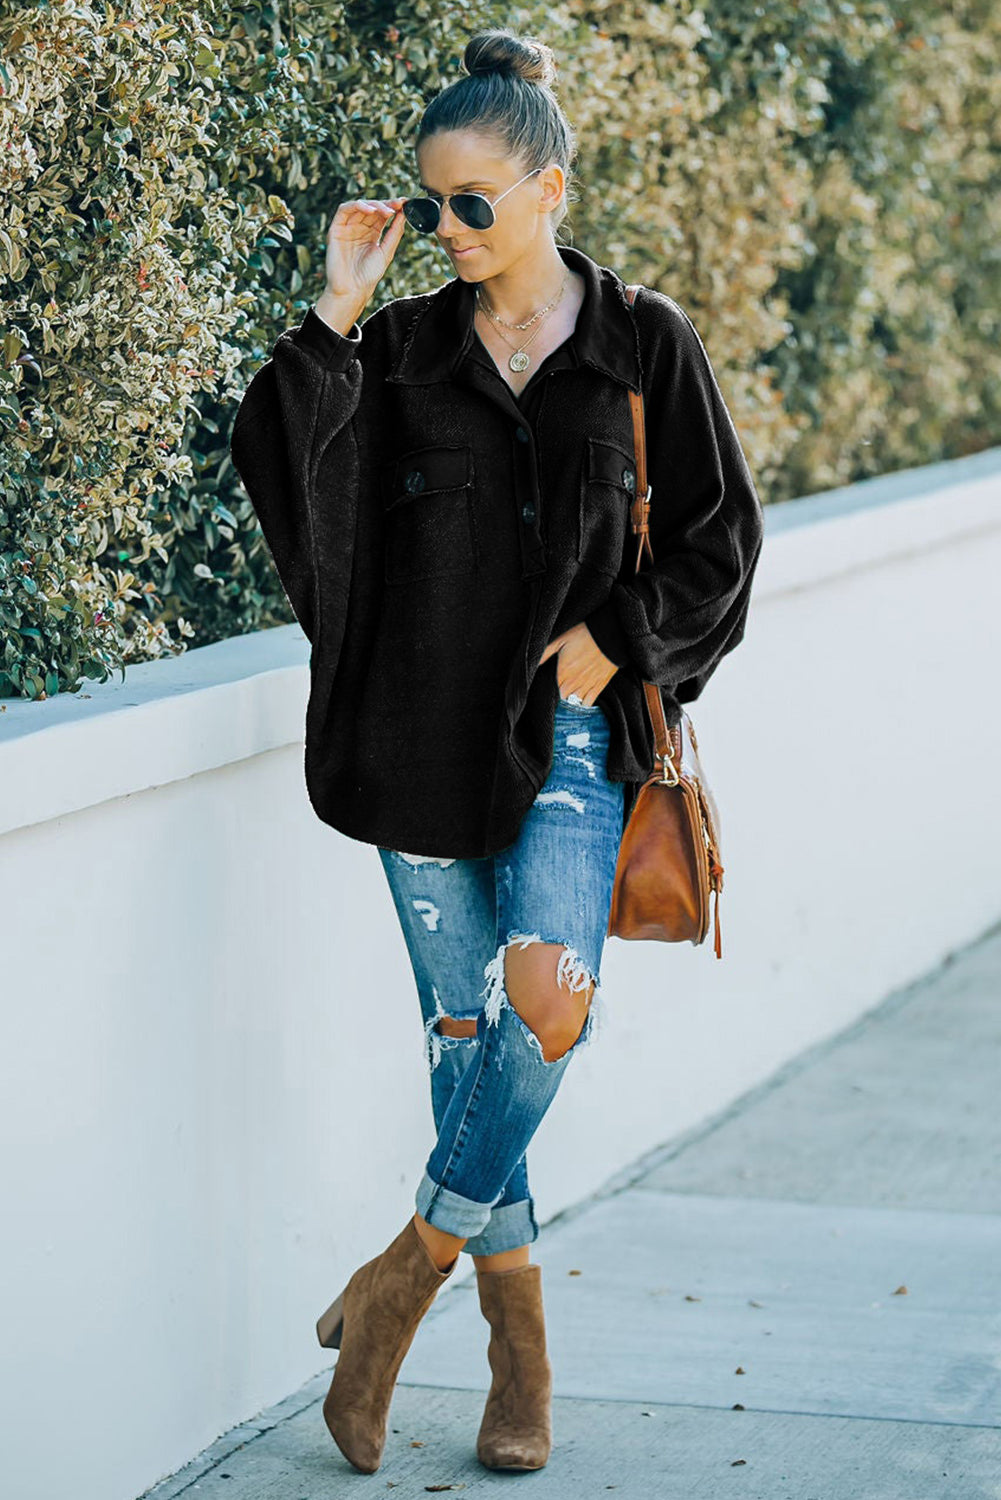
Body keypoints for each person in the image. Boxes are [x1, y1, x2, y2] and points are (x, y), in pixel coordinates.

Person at [229, 26, 765, 1478]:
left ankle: (398, 1288)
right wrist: (336, 310)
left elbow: (721, 533)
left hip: (576, 742)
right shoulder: (398, 349)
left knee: (542, 1010)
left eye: (475, 203)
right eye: (432, 206)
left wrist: (620, 641)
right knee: (463, 1045)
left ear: (549, 190)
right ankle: (519, 1358)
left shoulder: (640, 339)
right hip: (414, 741)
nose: (449, 232)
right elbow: (298, 494)